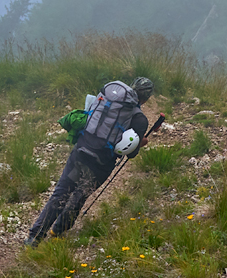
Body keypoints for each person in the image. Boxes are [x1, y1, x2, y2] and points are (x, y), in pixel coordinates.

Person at [26, 77, 154, 246]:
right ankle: (58, 230)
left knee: (62, 192)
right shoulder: (139, 119)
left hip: (80, 151)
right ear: (145, 99)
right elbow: (130, 153)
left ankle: (34, 238)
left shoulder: (106, 99)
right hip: (101, 163)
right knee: (80, 195)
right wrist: (141, 142)